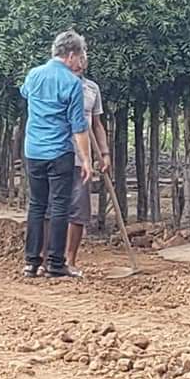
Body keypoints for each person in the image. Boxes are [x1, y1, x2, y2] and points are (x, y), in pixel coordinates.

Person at [20, 30, 92, 278]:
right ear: (71, 55)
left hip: (33, 150)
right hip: (59, 151)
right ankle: (55, 263)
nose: (80, 61)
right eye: (80, 56)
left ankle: (31, 262)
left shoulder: (34, 74)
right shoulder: (72, 83)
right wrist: (85, 159)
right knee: (60, 206)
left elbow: (25, 93)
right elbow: (78, 126)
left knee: (37, 204)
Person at [41, 56, 110, 275]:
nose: (80, 64)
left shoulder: (91, 88)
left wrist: (104, 153)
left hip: (83, 159)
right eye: (76, 59)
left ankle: (70, 260)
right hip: (57, 152)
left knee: (78, 210)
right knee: (50, 209)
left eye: (84, 59)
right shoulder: (54, 84)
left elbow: (97, 124)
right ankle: (46, 259)